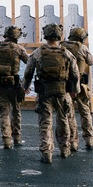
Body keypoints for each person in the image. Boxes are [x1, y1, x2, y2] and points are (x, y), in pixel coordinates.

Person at [23, 23, 79, 164]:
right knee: (63, 121)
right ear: (59, 35)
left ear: (45, 36)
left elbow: (28, 71)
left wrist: (25, 87)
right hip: (62, 93)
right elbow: (75, 73)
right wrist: (75, 90)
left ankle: (47, 153)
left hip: (44, 93)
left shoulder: (38, 52)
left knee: (45, 123)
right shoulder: (67, 53)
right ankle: (64, 150)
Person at [0, 25, 30, 149]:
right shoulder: (18, 48)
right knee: (16, 111)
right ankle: (17, 138)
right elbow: (28, 62)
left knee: (4, 114)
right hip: (14, 85)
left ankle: (7, 140)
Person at [61, 26, 93, 151]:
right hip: (80, 86)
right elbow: (91, 62)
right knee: (85, 113)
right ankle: (89, 140)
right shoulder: (82, 48)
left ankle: (73, 142)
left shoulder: (61, 46)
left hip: (64, 86)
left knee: (69, 115)